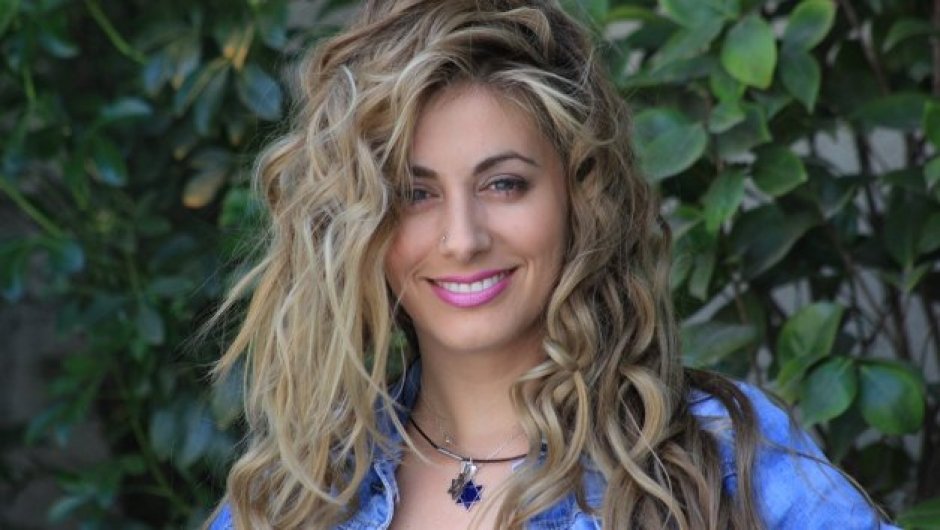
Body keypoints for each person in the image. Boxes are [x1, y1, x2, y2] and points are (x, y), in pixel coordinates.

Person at [207, 1, 899, 528]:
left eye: (504, 183)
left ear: (579, 196)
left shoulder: (719, 456)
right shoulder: (297, 493)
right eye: (415, 194)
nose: (462, 239)